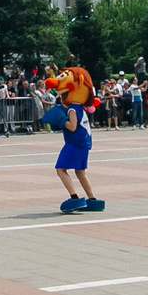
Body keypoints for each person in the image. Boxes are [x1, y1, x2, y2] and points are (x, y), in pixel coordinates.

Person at [45, 65, 102, 212]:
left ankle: (74, 197)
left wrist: (61, 120)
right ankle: (92, 198)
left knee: (60, 169)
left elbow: (72, 126)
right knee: (80, 172)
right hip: (84, 143)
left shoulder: (72, 109)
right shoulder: (80, 107)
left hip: (74, 143)